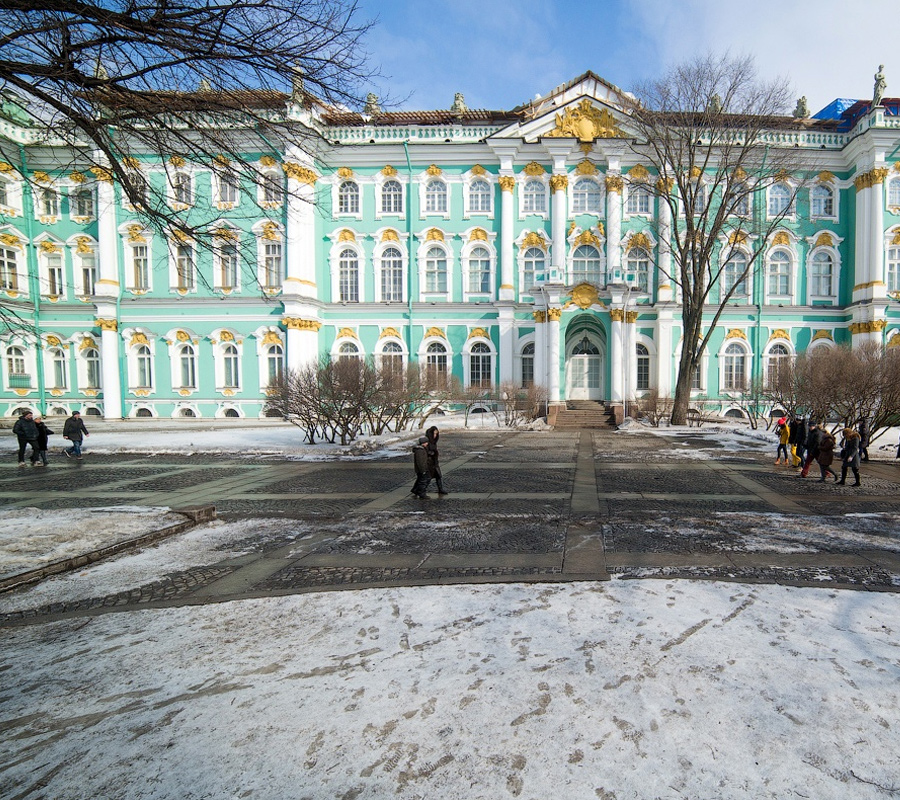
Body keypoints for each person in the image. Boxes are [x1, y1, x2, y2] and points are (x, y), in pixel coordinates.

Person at [425, 425, 449, 496]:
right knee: (427, 478)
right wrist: (431, 453)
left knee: (438, 476)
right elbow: (424, 451)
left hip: (434, 462)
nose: (435, 435)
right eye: (434, 433)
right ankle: (420, 490)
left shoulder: (434, 442)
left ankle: (440, 489)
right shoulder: (427, 441)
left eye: (436, 434)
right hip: (429, 462)